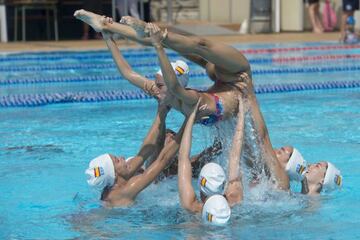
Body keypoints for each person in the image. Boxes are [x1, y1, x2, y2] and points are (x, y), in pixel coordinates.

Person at [73, 10, 289, 190]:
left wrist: (107, 35)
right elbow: (172, 85)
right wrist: (158, 46)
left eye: (159, 82)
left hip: (224, 93)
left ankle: (108, 26)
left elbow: (129, 74)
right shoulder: (184, 98)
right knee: (195, 44)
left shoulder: (166, 97)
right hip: (235, 80)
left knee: (186, 45)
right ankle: (145, 33)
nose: (155, 86)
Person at [85, 103, 187, 207]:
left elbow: (144, 152)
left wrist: (162, 110)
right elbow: (162, 160)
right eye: (117, 160)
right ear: (114, 174)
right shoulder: (124, 191)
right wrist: (189, 120)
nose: (122, 158)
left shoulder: (114, 181)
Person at [177, 96, 244, 224]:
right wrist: (240, 115)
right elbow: (235, 156)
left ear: (201, 185)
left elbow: (183, 158)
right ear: (224, 184)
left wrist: (192, 116)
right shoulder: (235, 198)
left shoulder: (191, 206)